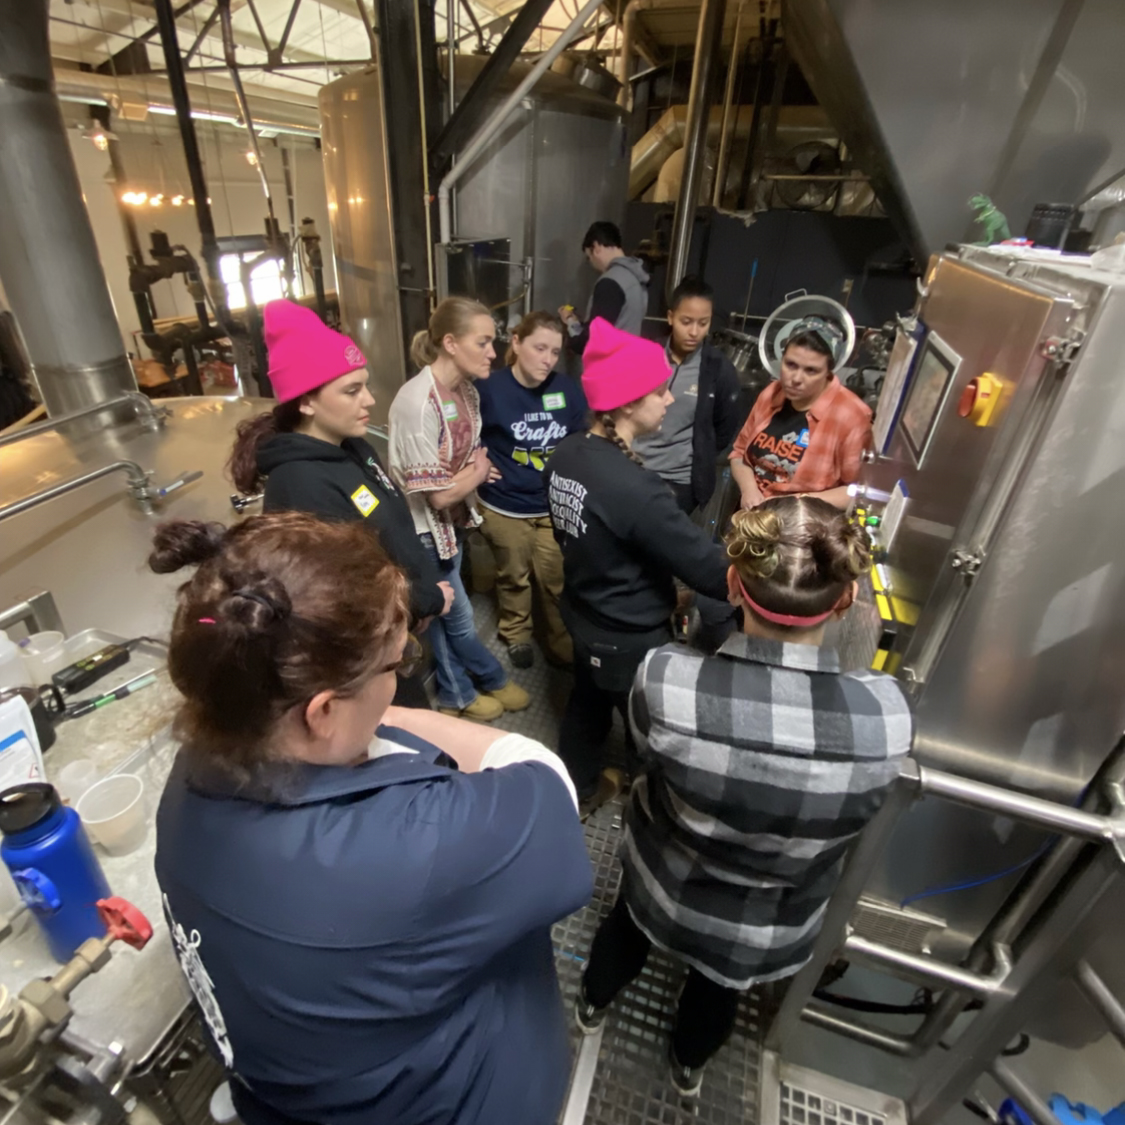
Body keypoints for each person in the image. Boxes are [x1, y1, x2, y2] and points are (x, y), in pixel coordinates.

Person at [152, 512, 593, 1125]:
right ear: (322, 710)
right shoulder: (406, 849)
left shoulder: (192, 773)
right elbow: (544, 780)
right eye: (393, 667)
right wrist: (399, 720)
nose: (397, 684)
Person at [573, 496, 912, 1097]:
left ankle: (592, 1007)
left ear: (733, 583)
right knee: (718, 990)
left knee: (624, 934)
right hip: (766, 918)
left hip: (665, 882)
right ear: (846, 600)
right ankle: (687, 1068)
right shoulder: (884, 716)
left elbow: (647, 759)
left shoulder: (667, 680)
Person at [227, 299, 453, 709]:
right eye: (351, 390)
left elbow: (382, 533)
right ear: (306, 401)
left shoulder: (353, 447)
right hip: (363, 663)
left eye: (364, 384)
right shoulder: (300, 486)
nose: (368, 400)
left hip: (398, 636)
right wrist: (427, 601)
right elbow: (345, 596)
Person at [544, 318, 730, 815]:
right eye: (661, 393)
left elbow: (576, 532)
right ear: (627, 402)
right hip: (627, 631)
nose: (670, 402)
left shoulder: (567, 453)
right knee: (645, 724)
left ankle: (573, 790)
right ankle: (642, 806)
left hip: (583, 608)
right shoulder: (636, 489)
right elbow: (711, 571)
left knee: (585, 704)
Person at [388, 297, 530, 722]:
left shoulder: (464, 391)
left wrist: (473, 472)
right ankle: (475, 685)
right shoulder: (417, 402)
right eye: (483, 342)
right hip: (425, 531)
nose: (493, 352)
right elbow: (439, 495)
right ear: (450, 342)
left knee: (448, 615)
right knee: (459, 617)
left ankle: (460, 690)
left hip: (452, 527)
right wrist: (480, 468)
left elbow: (459, 460)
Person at [476, 311, 587, 670]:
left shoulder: (566, 390)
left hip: (552, 507)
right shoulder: (489, 389)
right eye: (540, 348)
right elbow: (464, 437)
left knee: (556, 579)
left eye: (555, 352)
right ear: (517, 343)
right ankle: (517, 634)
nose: (548, 359)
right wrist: (475, 467)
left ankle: (560, 642)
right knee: (513, 576)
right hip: (506, 506)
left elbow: (578, 443)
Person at [633, 274, 742, 515]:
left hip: (680, 481)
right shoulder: (646, 354)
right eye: (686, 321)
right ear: (670, 317)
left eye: (703, 323)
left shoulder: (717, 368)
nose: (694, 331)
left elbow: (725, 426)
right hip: (634, 468)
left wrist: (700, 451)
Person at [730, 327, 872, 509]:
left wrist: (791, 503)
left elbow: (856, 491)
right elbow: (739, 453)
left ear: (829, 372)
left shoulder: (851, 415)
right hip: (753, 515)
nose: (796, 378)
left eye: (811, 371)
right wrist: (749, 490)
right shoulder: (771, 393)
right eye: (790, 365)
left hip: (803, 524)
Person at [559, 220, 650, 351]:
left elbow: (592, 340)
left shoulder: (610, 282)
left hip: (609, 367)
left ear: (596, 248)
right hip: (629, 361)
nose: (592, 264)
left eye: (589, 257)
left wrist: (570, 321)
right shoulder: (635, 278)